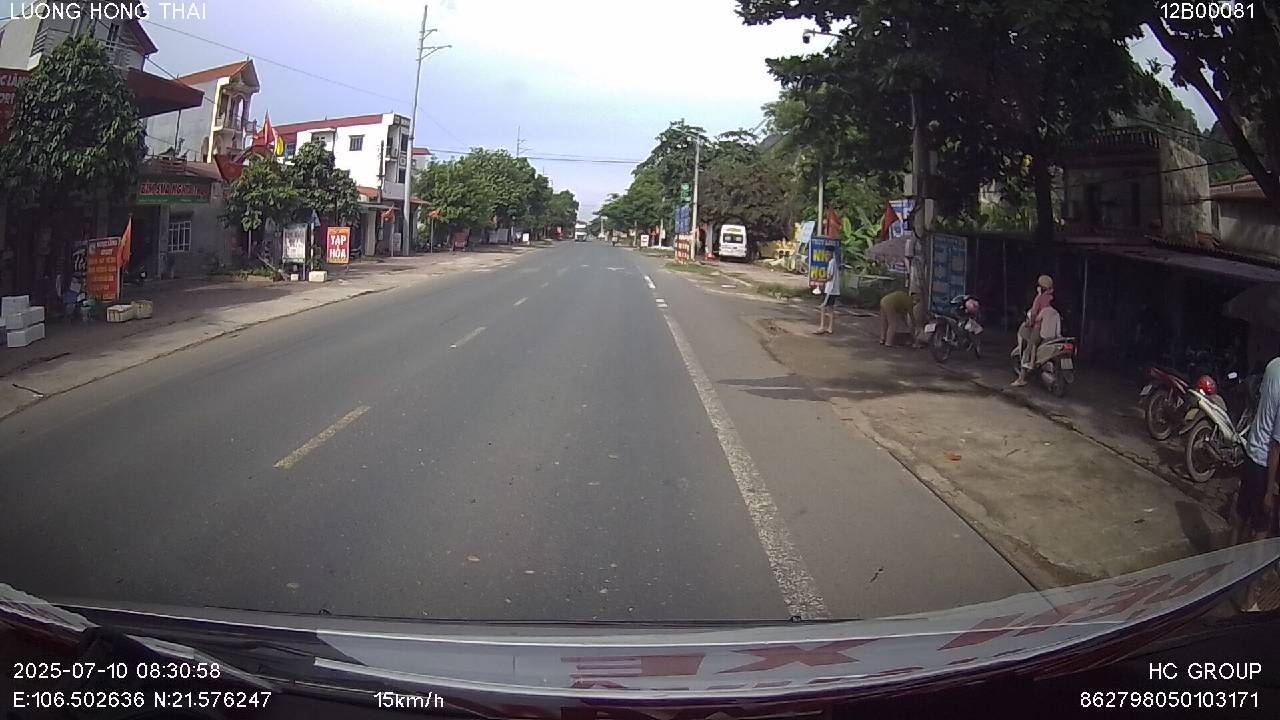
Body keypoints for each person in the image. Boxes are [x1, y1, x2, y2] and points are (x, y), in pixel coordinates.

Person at [1239, 356, 1280, 545]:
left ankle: (1227, 558)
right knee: (1261, 527)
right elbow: (1276, 447)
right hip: (1263, 465)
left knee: (1241, 515)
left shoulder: (1273, 365)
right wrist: (1269, 492)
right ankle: (1252, 564)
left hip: (1250, 451)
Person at [1012, 274, 1055, 387]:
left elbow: (1034, 313)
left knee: (1027, 350)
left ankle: (1021, 379)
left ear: (1041, 287)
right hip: (1050, 328)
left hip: (1038, 327)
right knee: (1035, 346)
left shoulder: (1039, 299)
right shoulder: (1050, 298)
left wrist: (1029, 323)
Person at [814, 248, 840, 335]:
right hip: (833, 289)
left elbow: (830, 277)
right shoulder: (833, 262)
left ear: (832, 253)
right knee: (830, 308)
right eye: (826, 253)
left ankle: (822, 327)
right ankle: (830, 328)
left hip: (830, 290)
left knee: (823, 307)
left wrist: (821, 280)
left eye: (829, 253)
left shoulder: (832, 262)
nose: (827, 255)